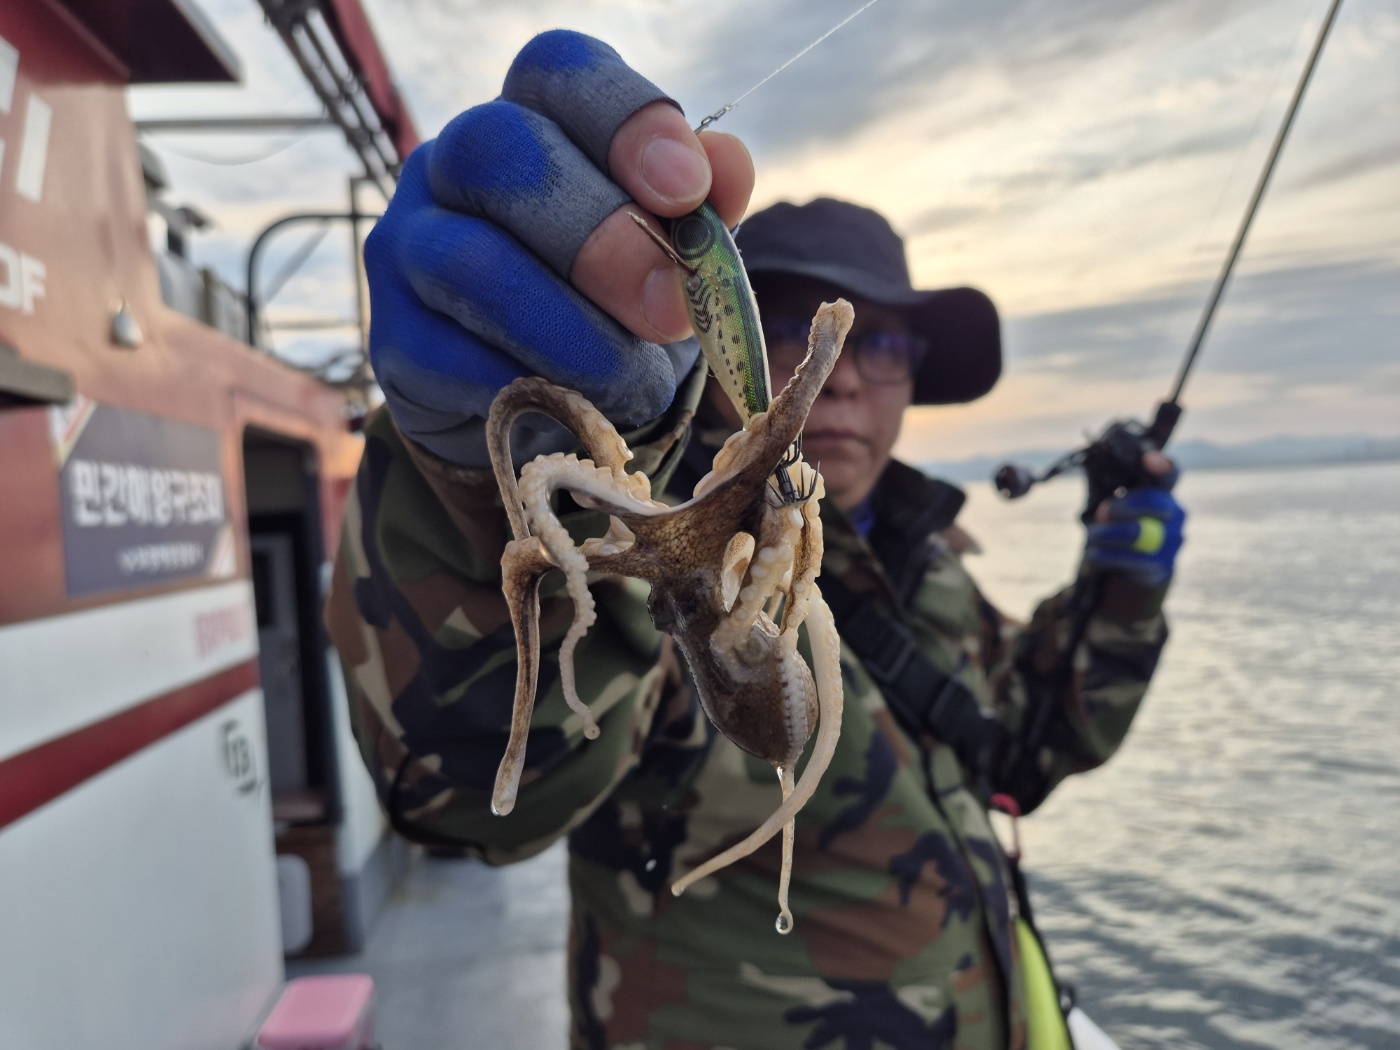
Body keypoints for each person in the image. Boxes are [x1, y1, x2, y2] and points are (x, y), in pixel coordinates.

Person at [325, 30, 1185, 1050]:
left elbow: (1022, 748)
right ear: (704, 333)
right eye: (789, 330)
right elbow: (468, 789)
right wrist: (471, 489)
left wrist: (1120, 589)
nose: (844, 376)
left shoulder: (931, 562)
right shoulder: (669, 559)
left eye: (886, 345)